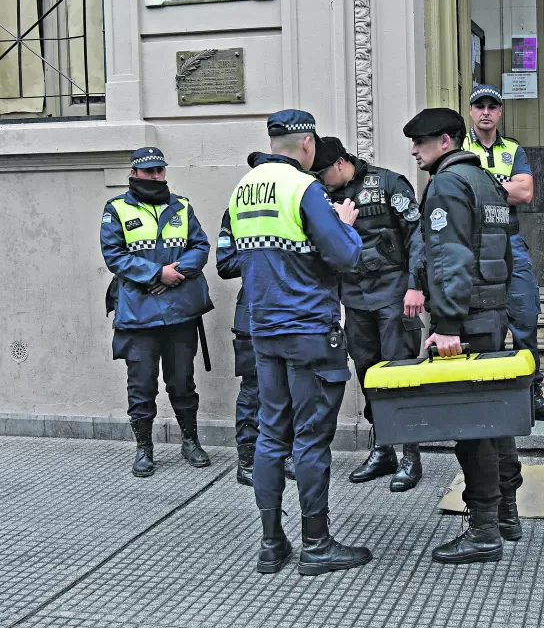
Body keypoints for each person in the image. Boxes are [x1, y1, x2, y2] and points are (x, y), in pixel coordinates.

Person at [226, 110, 372, 576]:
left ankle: (271, 544)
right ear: (307, 144)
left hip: (263, 328)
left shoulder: (242, 189)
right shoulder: (304, 188)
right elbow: (346, 255)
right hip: (309, 330)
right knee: (310, 440)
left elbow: (232, 259)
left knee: (271, 435)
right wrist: (344, 221)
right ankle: (316, 544)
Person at [404, 107, 523, 565]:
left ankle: (484, 530)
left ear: (446, 142)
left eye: (422, 141)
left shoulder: (447, 185)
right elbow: (506, 252)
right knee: (497, 421)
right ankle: (507, 514)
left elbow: (450, 258)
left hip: (466, 320)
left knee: (471, 429)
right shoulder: (488, 182)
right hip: (492, 314)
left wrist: (448, 325)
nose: (415, 150)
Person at [310, 135, 427, 492]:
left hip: (394, 294)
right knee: (369, 374)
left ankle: (411, 455)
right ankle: (383, 449)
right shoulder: (323, 196)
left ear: (341, 163)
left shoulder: (389, 182)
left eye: (323, 172)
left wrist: (416, 285)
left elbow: (417, 235)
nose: (319, 179)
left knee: (401, 373)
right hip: (355, 297)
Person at [100, 147, 213, 477]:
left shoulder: (182, 206)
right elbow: (114, 255)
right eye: (148, 172)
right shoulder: (117, 209)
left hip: (179, 311)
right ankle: (144, 448)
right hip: (138, 314)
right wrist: (155, 274)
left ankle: (190, 441)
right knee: (141, 386)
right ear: (134, 174)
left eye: (159, 171)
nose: (155, 177)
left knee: (182, 383)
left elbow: (200, 246)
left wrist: (175, 273)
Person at [463, 84, 544, 422]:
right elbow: (457, 194)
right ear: (470, 111)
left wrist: (481, 186)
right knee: (482, 325)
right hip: (473, 246)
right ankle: (487, 397)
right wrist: (502, 187)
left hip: (510, 242)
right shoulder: (460, 148)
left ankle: (530, 393)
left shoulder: (513, 149)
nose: (485, 112)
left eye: (491, 106)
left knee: (525, 316)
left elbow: (525, 193)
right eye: (479, 106)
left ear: (500, 112)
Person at [217, 203, 295, 486]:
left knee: (293, 385)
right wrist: (269, 256)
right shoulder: (239, 209)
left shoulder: (297, 201)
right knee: (253, 388)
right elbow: (224, 264)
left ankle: (286, 455)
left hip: (293, 309)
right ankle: (247, 461)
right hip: (253, 310)